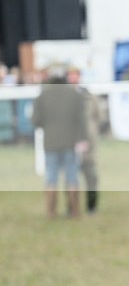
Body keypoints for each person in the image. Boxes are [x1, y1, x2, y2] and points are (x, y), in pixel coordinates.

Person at [32, 73, 87, 218]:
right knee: (72, 177)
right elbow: (81, 119)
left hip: (51, 143)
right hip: (70, 142)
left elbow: (36, 120)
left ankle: (51, 211)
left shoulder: (43, 96)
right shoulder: (74, 95)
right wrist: (82, 139)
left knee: (51, 178)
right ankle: (75, 210)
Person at [67, 67, 102, 214]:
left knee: (91, 176)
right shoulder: (64, 97)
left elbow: (97, 116)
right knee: (71, 176)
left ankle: (91, 206)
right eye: (71, 75)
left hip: (88, 144)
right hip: (69, 142)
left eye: (76, 75)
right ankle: (72, 207)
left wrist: (91, 134)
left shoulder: (88, 96)